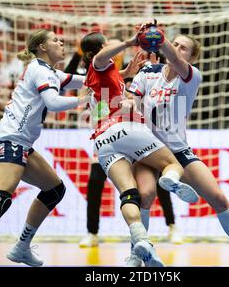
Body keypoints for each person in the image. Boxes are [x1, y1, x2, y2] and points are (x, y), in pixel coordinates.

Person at [0, 29, 87, 267]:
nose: (61, 42)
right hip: (10, 139)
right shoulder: (38, 69)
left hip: (20, 142)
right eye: (55, 39)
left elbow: (80, 81)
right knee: (1, 196)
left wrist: (117, 77)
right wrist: (85, 100)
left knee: (54, 189)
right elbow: (53, 103)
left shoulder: (50, 72)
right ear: (42, 47)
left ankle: (22, 247)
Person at [127, 29, 229, 267]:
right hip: (147, 150)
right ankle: (137, 255)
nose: (177, 49)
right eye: (175, 43)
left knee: (218, 198)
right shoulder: (148, 72)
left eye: (183, 48)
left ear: (191, 58)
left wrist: (158, 37)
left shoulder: (191, 76)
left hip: (178, 150)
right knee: (145, 195)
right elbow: (133, 101)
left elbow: (175, 60)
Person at [80, 30, 198, 267]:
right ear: (100, 50)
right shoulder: (100, 64)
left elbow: (110, 86)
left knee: (133, 194)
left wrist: (131, 73)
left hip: (103, 139)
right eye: (109, 44)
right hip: (124, 129)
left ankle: (141, 244)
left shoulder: (111, 74)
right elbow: (103, 103)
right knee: (167, 168)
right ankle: (94, 233)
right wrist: (130, 43)